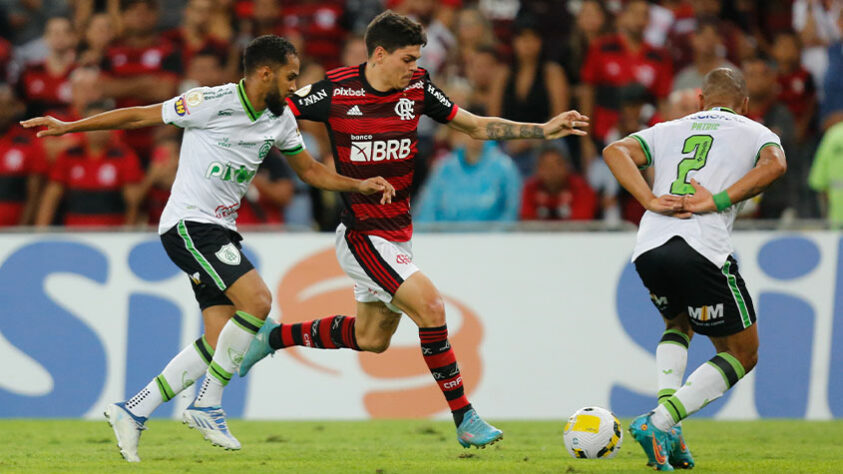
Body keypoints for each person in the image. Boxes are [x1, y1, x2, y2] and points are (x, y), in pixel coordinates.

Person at [22, 35, 394, 462]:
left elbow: (309, 170)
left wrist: (357, 184)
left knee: (220, 339)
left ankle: (133, 410)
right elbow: (140, 118)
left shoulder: (280, 119)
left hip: (220, 229)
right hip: (188, 224)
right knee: (257, 301)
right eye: (290, 77)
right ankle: (207, 404)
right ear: (265, 73)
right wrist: (70, 126)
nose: (295, 86)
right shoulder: (210, 101)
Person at [237, 11, 588, 449]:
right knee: (433, 309)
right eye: (406, 58)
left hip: (398, 232)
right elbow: (270, 107)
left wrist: (542, 130)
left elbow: (474, 125)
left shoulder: (418, 87)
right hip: (362, 233)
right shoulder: (335, 89)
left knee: (372, 338)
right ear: (379, 54)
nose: (414, 67)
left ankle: (272, 336)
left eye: (417, 58)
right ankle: (466, 418)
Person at [603, 67, 786, 470]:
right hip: (701, 246)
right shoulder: (754, 130)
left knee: (678, 324)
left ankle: (670, 429)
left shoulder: (668, 128)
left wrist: (649, 199)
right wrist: (717, 200)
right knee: (743, 352)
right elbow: (774, 166)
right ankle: (661, 420)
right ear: (746, 105)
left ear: (701, 100)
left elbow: (614, 150)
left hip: (649, 246)